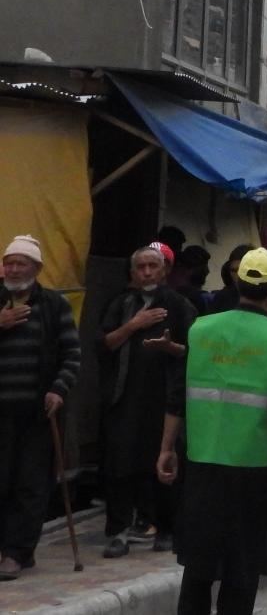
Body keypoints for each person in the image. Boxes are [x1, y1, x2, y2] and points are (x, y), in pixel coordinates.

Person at [159, 248, 267, 615]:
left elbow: (178, 396)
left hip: (201, 463)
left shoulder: (201, 328)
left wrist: (166, 448)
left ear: (237, 282)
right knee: (242, 568)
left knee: (199, 565)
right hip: (252, 467)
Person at [99, 244, 195, 558]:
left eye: (153, 266)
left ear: (165, 270)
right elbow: (104, 344)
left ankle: (166, 528)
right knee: (120, 466)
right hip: (125, 397)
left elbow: (194, 352)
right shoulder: (121, 303)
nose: (147, 272)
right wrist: (133, 326)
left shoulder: (179, 306)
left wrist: (170, 347)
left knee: (164, 463)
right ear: (133, 272)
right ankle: (118, 532)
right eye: (141, 267)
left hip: (166, 399)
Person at [0, 235, 80, 581]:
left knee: (30, 483)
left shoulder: (53, 305)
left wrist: (58, 390)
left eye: (22, 263)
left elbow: (72, 355)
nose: (14, 269)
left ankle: (17, 552)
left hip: (37, 411)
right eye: (9, 262)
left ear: (37, 268)